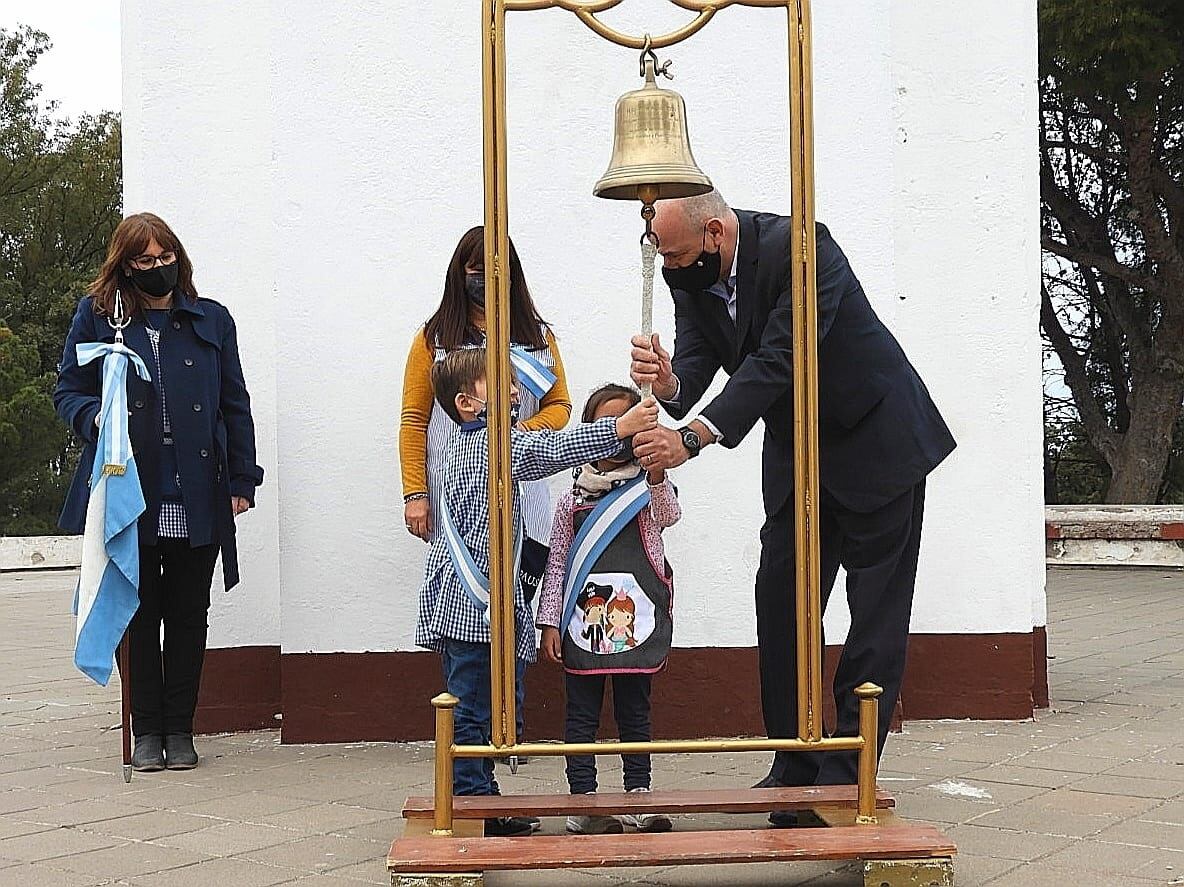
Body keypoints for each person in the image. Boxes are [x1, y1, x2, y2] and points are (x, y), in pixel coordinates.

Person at [629, 190, 956, 822]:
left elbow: (782, 357)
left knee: (874, 617)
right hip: (796, 458)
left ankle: (845, 773)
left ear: (718, 234)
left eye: (678, 255)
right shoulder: (686, 267)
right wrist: (670, 383)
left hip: (875, 443)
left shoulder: (803, 247)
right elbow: (701, 359)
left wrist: (692, 438)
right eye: (665, 259)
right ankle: (793, 761)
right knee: (781, 598)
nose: (671, 269)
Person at [416, 349, 657, 838]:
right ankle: (471, 801)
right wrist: (620, 428)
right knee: (469, 707)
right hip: (471, 603)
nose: (511, 386)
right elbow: (552, 450)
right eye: (496, 380)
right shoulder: (488, 446)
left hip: (475, 602)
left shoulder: (481, 443)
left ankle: (482, 795)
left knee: (481, 703)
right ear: (467, 402)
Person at [55, 212, 263, 772]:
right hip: (129, 490)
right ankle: (146, 731)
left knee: (190, 613)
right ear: (124, 266)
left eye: (164, 257)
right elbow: (68, 390)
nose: (156, 269)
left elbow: (234, 403)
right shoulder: (98, 318)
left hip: (198, 488)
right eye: (143, 261)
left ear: (178, 257)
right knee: (138, 612)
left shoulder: (211, 320)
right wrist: (97, 419)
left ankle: (181, 728)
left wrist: (242, 478)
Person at [536, 384, 681, 836]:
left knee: (635, 714)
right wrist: (549, 621)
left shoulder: (644, 489)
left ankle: (638, 795)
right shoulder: (572, 499)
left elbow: (668, 516)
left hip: (634, 623)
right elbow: (557, 562)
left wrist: (656, 475)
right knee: (581, 717)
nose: (617, 439)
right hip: (583, 625)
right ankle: (584, 802)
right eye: (607, 427)